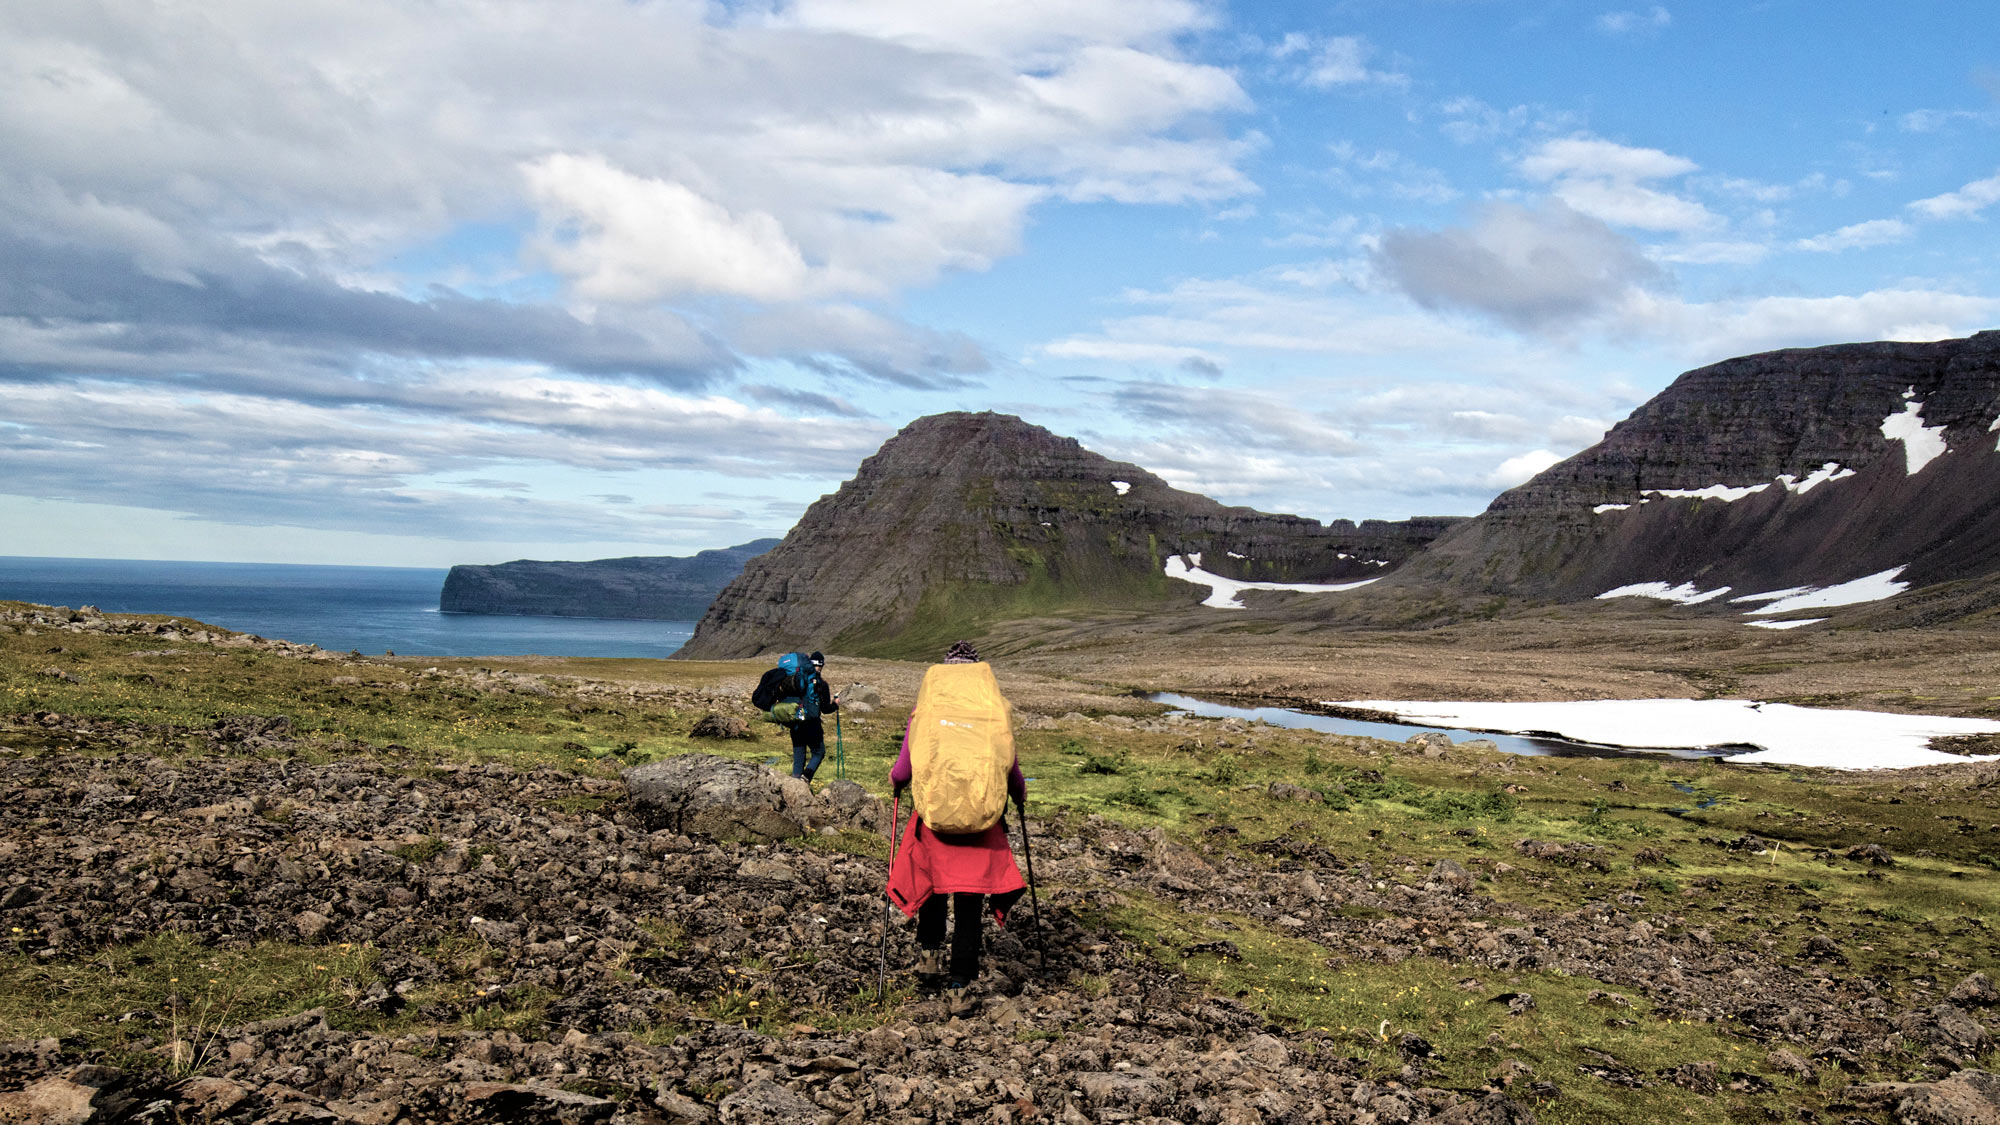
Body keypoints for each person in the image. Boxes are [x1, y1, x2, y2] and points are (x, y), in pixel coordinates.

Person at [886, 640, 1027, 997]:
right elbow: (1011, 771)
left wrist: (896, 781)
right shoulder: (993, 713)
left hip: (936, 822)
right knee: (969, 906)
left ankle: (929, 957)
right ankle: (960, 986)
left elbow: (902, 771)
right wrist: (1019, 797)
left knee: (933, 888)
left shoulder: (926, 712)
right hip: (982, 825)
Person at [752, 650, 839, 782]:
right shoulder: (821, 684)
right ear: (821, 666)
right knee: (818, 753)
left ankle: (795, 781)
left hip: (794, 722)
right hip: (811, 722)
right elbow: (826, 709)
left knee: (799, 754)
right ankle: (805, 779)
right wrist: (836, 704)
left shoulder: (794, 681)